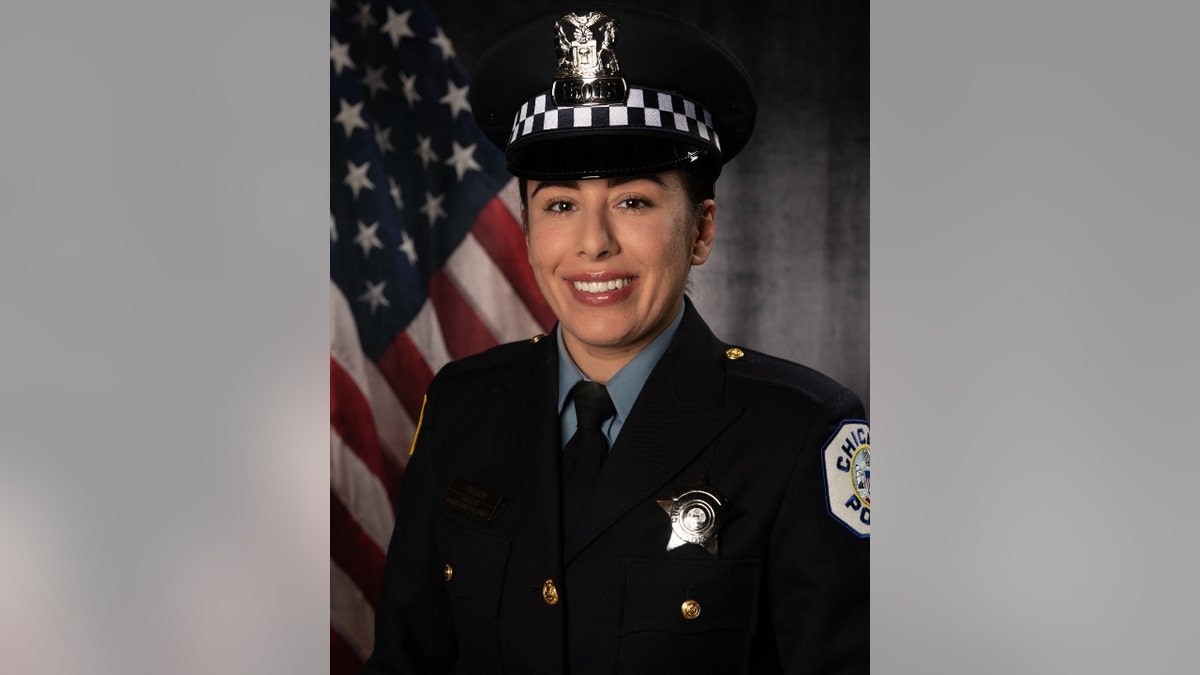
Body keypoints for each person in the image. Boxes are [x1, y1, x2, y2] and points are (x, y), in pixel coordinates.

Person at [363, 6, 869, 674]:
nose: (593, 243)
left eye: (633, 201)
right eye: (560, 204)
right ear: (527, 229)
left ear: (702, 230)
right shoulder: (462, 407)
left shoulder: (800, 434)